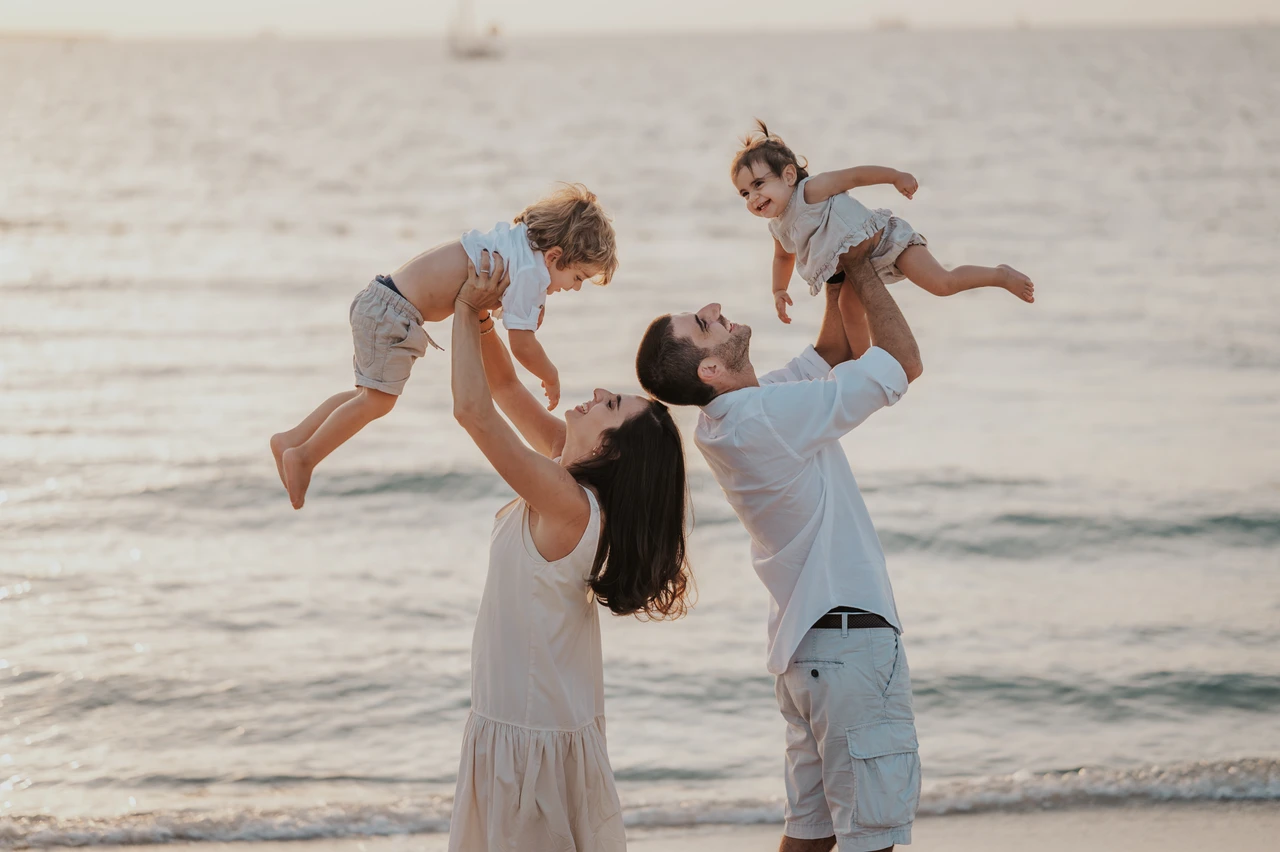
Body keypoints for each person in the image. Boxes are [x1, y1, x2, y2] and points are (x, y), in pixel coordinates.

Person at [635, 261, 923, 852]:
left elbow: (832, 352)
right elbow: (902, 363)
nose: (714, 309)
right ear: (711, 370)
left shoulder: (732, 416)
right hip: (847, 641)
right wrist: (863, 264)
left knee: (810, 836)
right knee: (871, 838)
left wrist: (835, 271)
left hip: (809, 654)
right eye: (702, 323)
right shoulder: (767, 415)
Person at [449, 250, 692, 851]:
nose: (600, 391)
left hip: (530, 738)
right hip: (530, 725)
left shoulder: (568, 502)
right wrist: (484, 318)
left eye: (611, 405)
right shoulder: (571, 477)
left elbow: (473, 413)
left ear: (611, 450)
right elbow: (504, 387)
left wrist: (462, 308)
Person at [271, 183, 618, 509]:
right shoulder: (532, 272)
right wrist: (550, 374)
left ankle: (292, 439)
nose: (574, 287)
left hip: (382, 301)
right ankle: (304, 456)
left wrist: (516, 311)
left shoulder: (517, 245)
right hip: (395, 314)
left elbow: (491, 294)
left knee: (367, 395)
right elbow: (522, 344)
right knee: (378, 401)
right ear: (554, 257)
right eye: (577, 277)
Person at [731, 120, 1033, 341]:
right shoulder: (778, 227)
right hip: (861, 267)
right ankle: (863, 366)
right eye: (745, 193)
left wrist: (895, 176)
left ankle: (1000, 275)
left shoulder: (811, 190)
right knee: (848, 308)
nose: (753, 197)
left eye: (758, 184)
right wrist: (779, 290)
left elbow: (855, 176)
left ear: (788, 176)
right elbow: (783, 258)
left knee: (942, 284)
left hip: (889, 242)